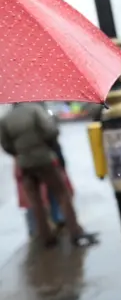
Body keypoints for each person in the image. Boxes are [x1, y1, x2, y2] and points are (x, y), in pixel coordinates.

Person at [0, 102, 98, 248]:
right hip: (44, 159)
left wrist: (20, 153)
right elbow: (50, 131)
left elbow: (6, 145)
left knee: (37, 202)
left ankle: (47, 238)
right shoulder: (35, 110)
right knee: (62, 194)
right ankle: (75, 232)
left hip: (24, 163)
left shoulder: (6, 119)